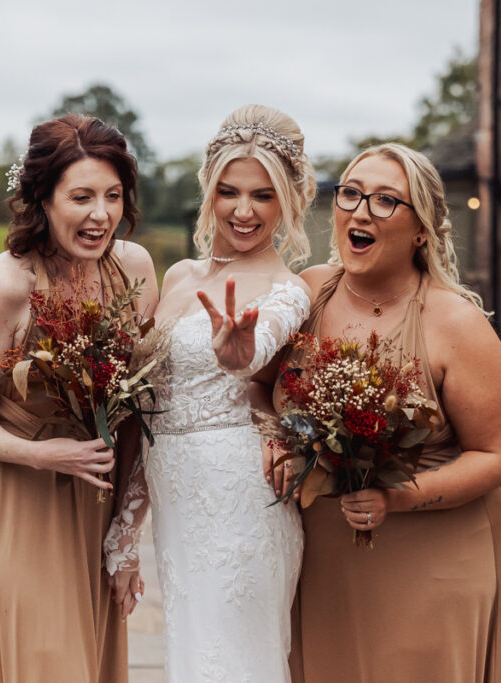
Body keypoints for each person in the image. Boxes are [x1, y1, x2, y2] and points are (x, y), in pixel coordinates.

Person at [254, 142, 501, 682]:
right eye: (351, 194)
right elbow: (261, 386)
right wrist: (277, 441)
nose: (360, 211)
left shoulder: (456, 324)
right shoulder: (307, 292)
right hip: (326, 567)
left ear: (422, 228)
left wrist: (394, 498)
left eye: (386, 201)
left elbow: (499, 455)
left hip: (430, 569)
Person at [0, 114, 159, 683]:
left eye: (112, 195)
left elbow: (139, 409)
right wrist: (46, 456)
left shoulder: (135, 270)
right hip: (16, 496)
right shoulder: (10, 283)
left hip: (95, 504)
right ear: (42, 199)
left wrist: (125, 541)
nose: (100, 214)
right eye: (81, 196)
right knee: (42, 662)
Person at [103, 104, 316, 681]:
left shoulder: (287, 291)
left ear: (289, 200)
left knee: (233, 660)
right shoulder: (178, 279)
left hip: (241, 502)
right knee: (193, 655)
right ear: (209, 191)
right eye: (229, 191)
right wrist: (125, 533)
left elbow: (257, 346)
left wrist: (239, 354)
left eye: (263, 195)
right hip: (177, 503)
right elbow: (153, 411)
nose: (243, 211)